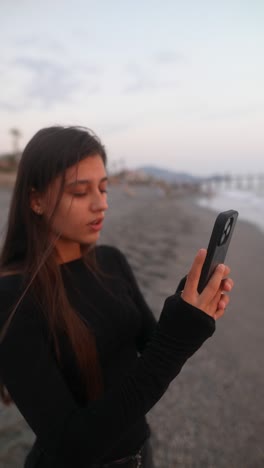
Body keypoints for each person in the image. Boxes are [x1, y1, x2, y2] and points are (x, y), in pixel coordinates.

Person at [0, 126, 233, 468]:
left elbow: (154, 347)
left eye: (104, 188)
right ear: (36, 200)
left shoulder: (110, 261)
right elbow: (70, 445)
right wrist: (174, 344)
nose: (102, 204)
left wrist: (185, 309)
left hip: (142, 453)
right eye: (81, 192)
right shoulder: (12, 297)